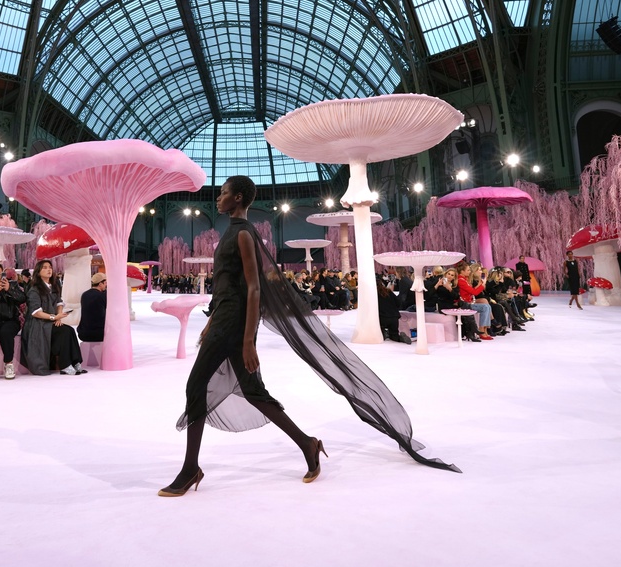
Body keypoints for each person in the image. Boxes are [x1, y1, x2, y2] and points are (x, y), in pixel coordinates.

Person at [161, 176, 458, 497]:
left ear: (239, 198)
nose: (218, 198)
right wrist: (212, 319)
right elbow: (226, 284)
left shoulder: (244, 235)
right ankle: (308, 445)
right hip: (224, 319)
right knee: (253, 392)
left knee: (196, 386)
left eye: (224, 194)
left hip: (233, 324)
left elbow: (254, 287)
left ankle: (191, 468)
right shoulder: (231, 233)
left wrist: (247, 339)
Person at [21, 260, 84, 376]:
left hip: (50, 321)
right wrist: (53, 317)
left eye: (50, 267)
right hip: (38, 324)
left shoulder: (54, 286)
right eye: (44, 267)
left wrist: (58, 318)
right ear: (38, 272)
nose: (49, 269)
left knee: (69, 330)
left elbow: (59, 303)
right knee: (64, 331)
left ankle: (76, 362)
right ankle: (65, 365)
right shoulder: (34, 289)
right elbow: (36, 313)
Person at [377, 277, 411, 344]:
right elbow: (398, 303)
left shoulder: (374, 294)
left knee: (380, 333)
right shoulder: (388, 291)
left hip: (382, 318)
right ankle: (399, 337)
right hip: (394, 317)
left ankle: (383, 334)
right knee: (394, 336)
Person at [76, 272, 107, 343]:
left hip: (83, 334)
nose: (106, 285)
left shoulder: (84, 295)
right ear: (100, 284)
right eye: (105, 283)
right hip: (99, 334)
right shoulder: (102, 296)